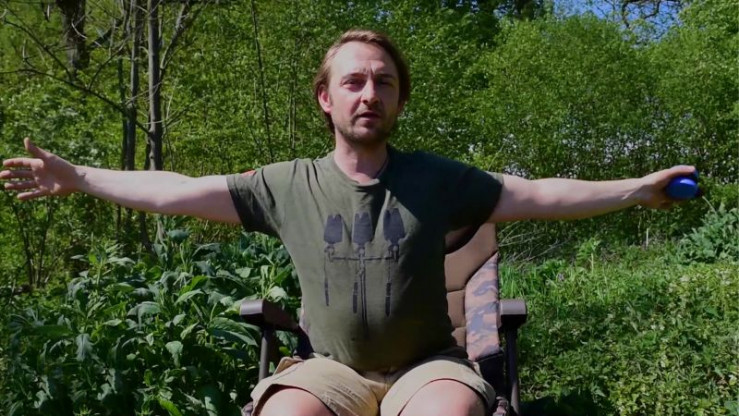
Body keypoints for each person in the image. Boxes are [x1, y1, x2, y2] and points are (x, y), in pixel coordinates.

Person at [1, 29, 695, 416]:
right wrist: (80, 177)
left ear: (399, 100)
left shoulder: (438, 181)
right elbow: (174, 192)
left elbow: (538, 194)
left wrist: (636, 188)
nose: (369, 93)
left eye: (383, 82)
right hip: (330, 370)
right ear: (325, 99)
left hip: (429, 368)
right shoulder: (285, 186)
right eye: (354, 81)